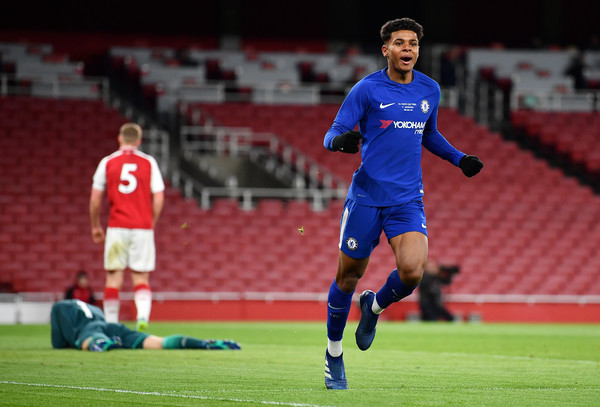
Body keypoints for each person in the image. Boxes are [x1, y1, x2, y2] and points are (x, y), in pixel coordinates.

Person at [322, 18, 483, 390]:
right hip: (366, 198)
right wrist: (340, 142)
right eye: (399, 42)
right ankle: (334, 353)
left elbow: (430, 133)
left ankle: (373, 307)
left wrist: (459, 159)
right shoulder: (366, 89)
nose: (407, 48)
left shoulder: (429, 89)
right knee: (347, 278)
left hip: (407, 199)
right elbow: (333, 132)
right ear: (386, 50)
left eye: (413, 43)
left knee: (412, 273)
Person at [89, 122, 165, 332]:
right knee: (141, 276)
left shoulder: (108, 162)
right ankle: (142, 317)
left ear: (120, 138)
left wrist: (95, 226)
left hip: (117, 226)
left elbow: (95, 199)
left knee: (114, 277)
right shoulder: (149, 162)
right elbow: (159, 198)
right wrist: (151, 222)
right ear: (139, 141)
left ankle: (112, 324)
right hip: (142, 227)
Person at [51, 300, 240, 351]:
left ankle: (103, 343)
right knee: (156, 342)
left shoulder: (58, 307)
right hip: (111, 325)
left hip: (88, 328)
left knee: (89, 340)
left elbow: (58, 343)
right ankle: (201, 343)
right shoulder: (93, 307)